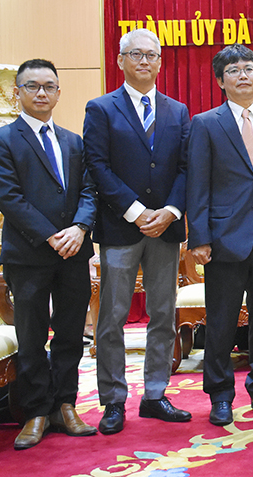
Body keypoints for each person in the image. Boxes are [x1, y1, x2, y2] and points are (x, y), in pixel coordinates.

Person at [0, 59, 98, 450]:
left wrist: (80, 229)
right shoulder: (0, 140)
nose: (42, 93)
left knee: (69, 335)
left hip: (74, 252)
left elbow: (89, 191)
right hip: (29, 255)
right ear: (18, 92)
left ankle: (65, 404)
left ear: (59, 92)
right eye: (32, 86)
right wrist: (52, 236)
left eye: (49, 86)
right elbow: (10, 200)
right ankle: (35, 411)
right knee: (31, 335)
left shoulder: (73, 141)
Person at [83, 28, 192, 434]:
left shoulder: (177, 110)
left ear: (161, 62)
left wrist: (169, 211)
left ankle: (155, 394)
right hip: (120, 227)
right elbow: (97, 166)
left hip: (165, 228)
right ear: (120, 61)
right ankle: (113, 400)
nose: (144, 61)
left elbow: (185, 167)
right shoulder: (101, 108)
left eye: (152, 55)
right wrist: (135, 211)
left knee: (163, 314)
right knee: (112, 318)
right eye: (136, 54)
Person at [186, 45, 253, 426]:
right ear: (220, 81)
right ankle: (220, 394)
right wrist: (199, 238)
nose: (242, 75)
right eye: (233, 70)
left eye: (249, 69)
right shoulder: (205, 123)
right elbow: (197, 184)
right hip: (223, 238)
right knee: (222, 321)